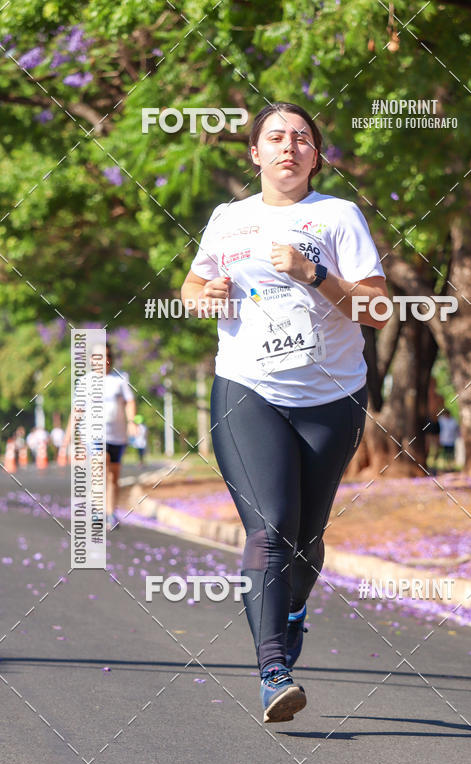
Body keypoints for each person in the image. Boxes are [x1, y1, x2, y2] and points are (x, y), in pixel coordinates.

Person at [181, 101, 388, 723]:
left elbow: (377, 311)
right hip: (248, 389)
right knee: (270, 528)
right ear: (255, 153)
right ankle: (275, 672)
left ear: (316, 155)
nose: (289, 147)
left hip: (331, 398)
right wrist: (203, 296)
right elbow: (193, 290)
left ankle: (294, 610)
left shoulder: (338, 217)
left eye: (302, 138)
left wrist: (314, 272)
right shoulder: (228, 219)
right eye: (276, 137)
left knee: (305, 540)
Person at [62, 342, 136, 529]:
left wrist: (133, 422)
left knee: (113, 477)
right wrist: (67, 437)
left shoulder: (120, 379)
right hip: (93, 434)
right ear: (91, 360)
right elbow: (77, 410)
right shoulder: (85, 381)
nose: (105, 360)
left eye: (108, 356)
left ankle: (110, 513)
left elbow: (129, 403)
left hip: (117, 436)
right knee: (101, 463)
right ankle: (97, 510)